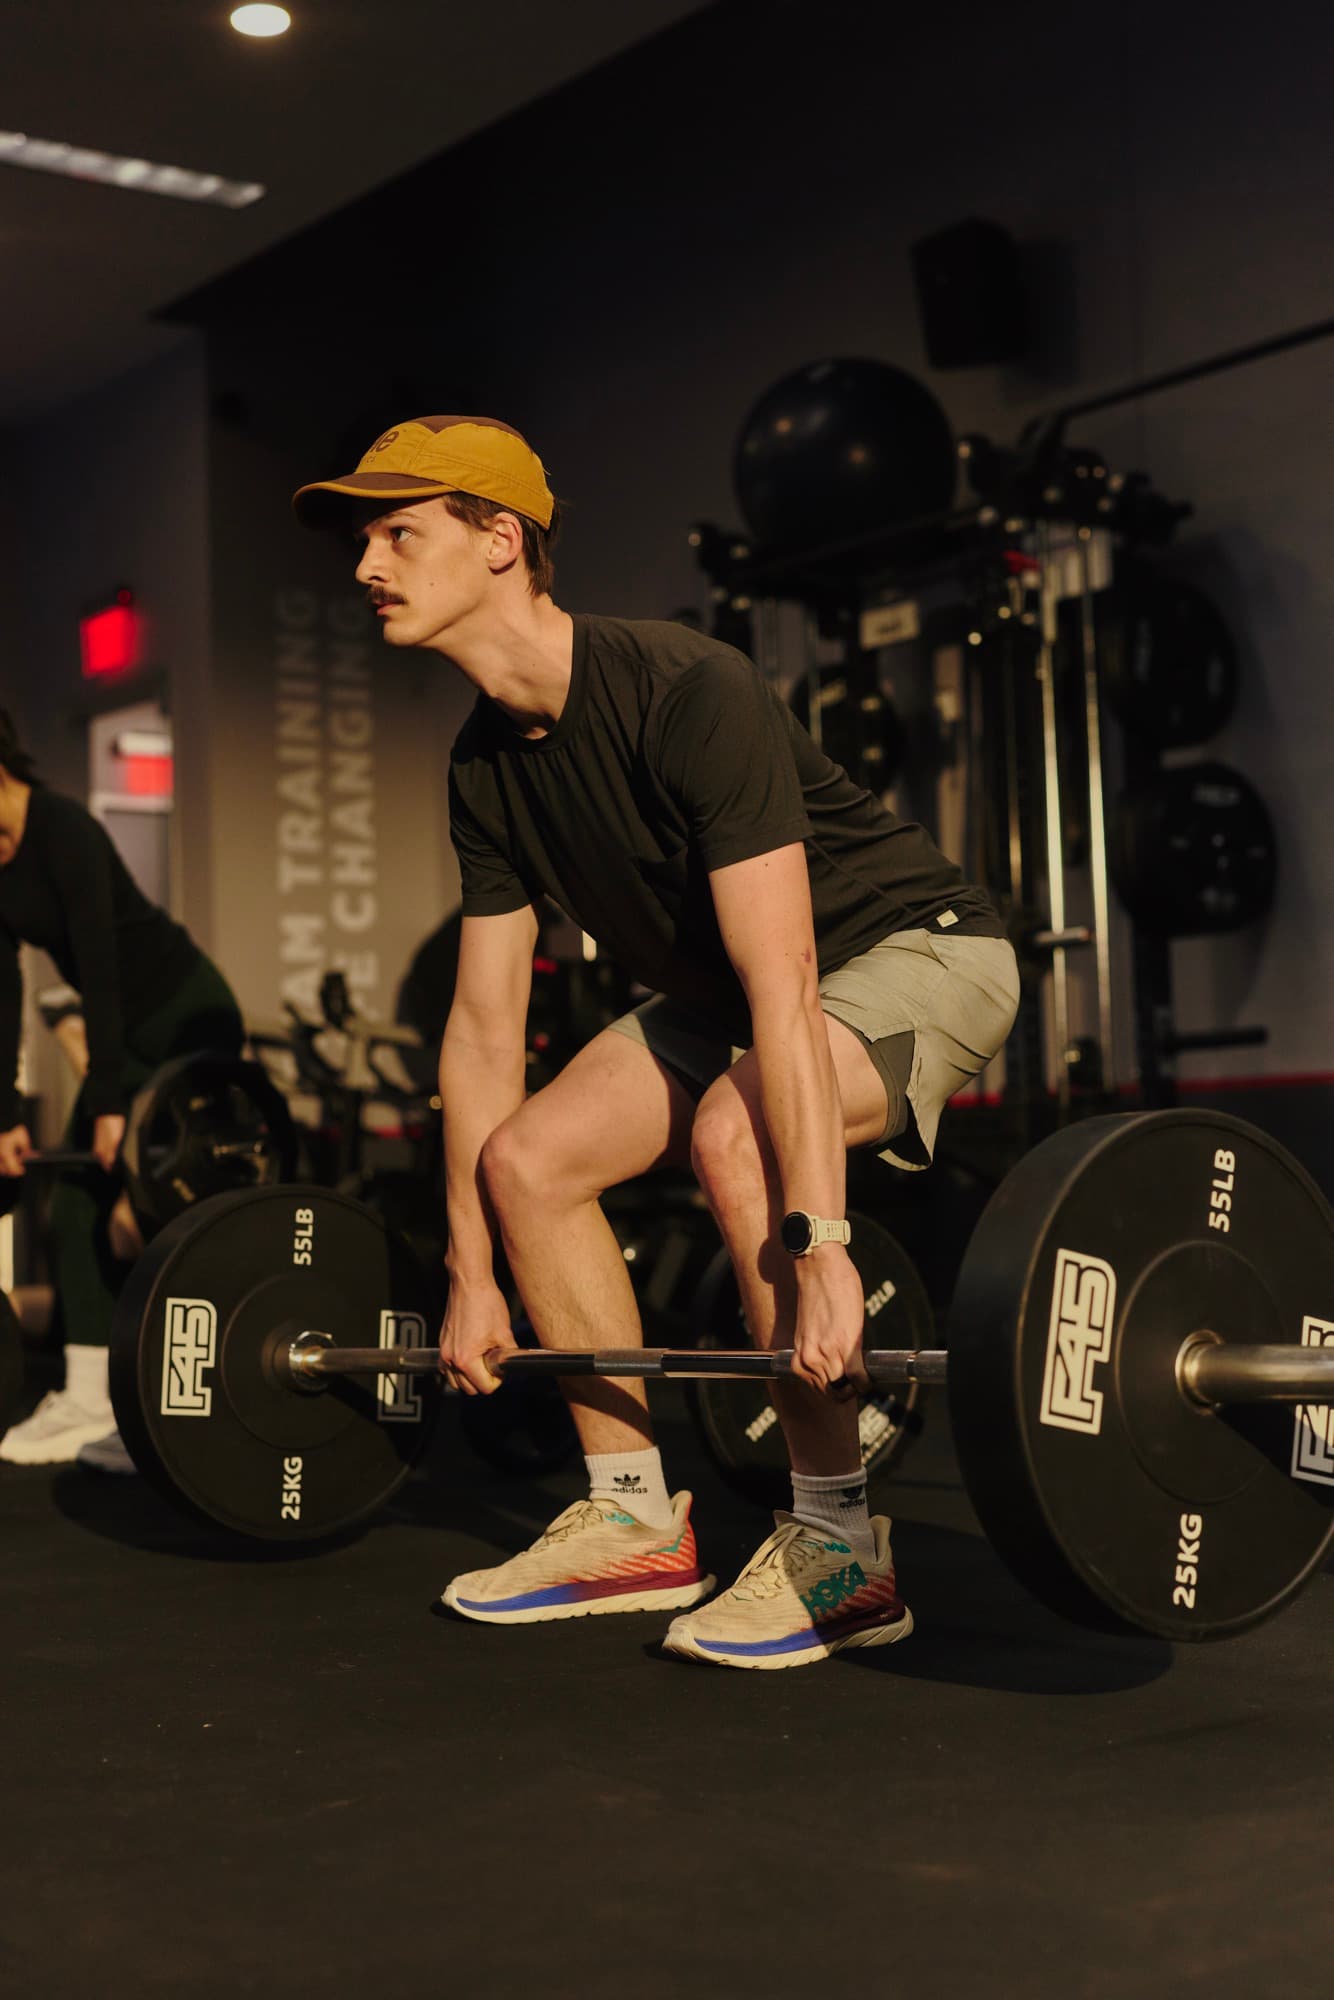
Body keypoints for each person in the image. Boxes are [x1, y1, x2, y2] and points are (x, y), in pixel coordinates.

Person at [294, 416, 1020, 1669]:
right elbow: (478, 1034)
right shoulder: (483, 767)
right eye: (365, 537)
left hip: (918, 951)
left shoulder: (687, 688)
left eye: (398, 532)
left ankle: (839, 1547)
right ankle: (630, 1515)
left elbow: (783, 974)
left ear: (500, 539)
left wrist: (826, 1244)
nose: (367, 564)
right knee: (527, 1160)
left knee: (735, 1126)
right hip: (737, 1001)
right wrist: (469, 1269)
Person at [0, 711, 244, 1472]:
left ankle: (194, 1395)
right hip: (123, 1041)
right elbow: (2, 987)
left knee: (145, 1204)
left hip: (179, 1013)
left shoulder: (63, 828)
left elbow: (99, 970)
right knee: (73, 1199)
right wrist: (4, 1109)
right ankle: (90, 1395)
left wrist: (107, 1100)